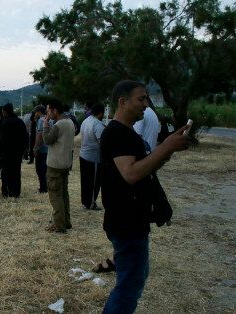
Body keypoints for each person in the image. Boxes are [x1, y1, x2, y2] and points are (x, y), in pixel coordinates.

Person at [101, 80, 190, 313]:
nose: (146, 104)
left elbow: (143, 171)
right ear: (122, 101)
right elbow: (130, 174)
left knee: (134, 278)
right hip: (125, 220)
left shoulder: (129, 133)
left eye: (146, 98)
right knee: (129, 286)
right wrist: (165, 146)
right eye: (141, 99)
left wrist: (167, 151)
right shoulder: (117, 133)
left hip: (134, 218)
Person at [43, 97, 75, 233]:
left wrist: (45, 125)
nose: (47, 114)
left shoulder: (58, 125)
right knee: (63, 194)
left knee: (55, 195)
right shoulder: (70, 122)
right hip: (66, 163)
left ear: (55, 110)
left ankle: (59, 225)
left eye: (48, 111)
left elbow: (47, 140)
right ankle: (66, 221)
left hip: (55, 164)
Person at [0, 103, 29, 198]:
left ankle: (6, 192)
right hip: (18, 152)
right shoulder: (20, 122)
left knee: (6, 172)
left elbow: (2, 139)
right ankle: (16, 192)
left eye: (3, 112)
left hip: (7, 153)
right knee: (16, 172)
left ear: (5, 111)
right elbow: (26, 137)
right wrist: (23, 150)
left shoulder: (6, 122)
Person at [79, 103, 106, 210]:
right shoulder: (98, 124)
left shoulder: (86, 121)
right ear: (101, 113)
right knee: (94, 182)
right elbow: (102, 143)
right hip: (93, 158)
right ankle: (91, 203)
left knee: (85, 181)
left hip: (83, 154)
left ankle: (85, 201)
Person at [31, 105, 50, 193]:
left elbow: (39, 136)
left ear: (39, 112)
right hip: (48, 148)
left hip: (42, 149)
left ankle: (43, 188)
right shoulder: (48, 119)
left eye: (36, 112)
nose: (35, 113)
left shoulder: (41, 121)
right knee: (45, 169)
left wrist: (35, 148)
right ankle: (45, 187)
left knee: (40, 170)